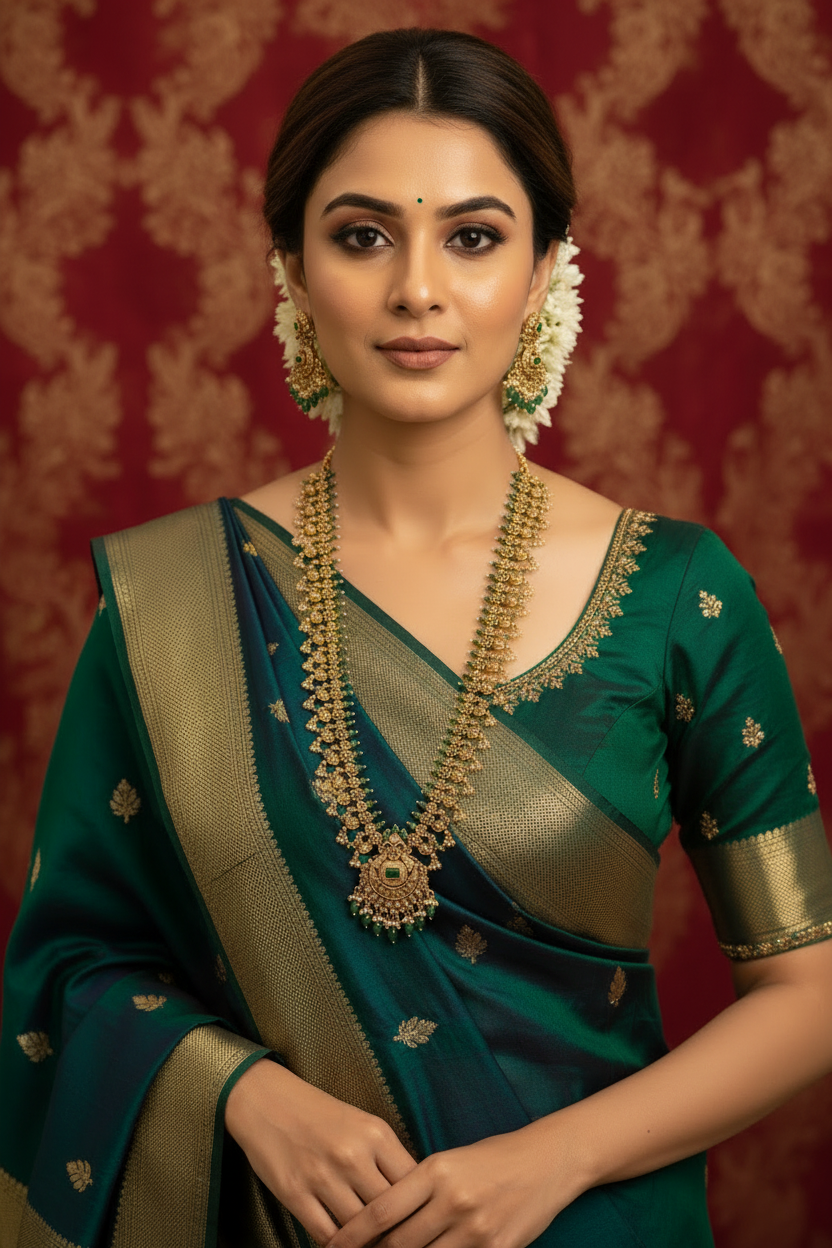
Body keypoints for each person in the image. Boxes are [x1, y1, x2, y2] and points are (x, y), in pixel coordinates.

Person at [1, 27, 831, 1248]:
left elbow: (807, 989)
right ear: (289, 266)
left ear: (548, 266)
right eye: (361, 234)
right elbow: (69, 970)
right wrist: (244, 1094)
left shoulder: (677, 595)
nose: (418, 290)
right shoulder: (175, 601)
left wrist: (552, 1162)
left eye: (476, 236)